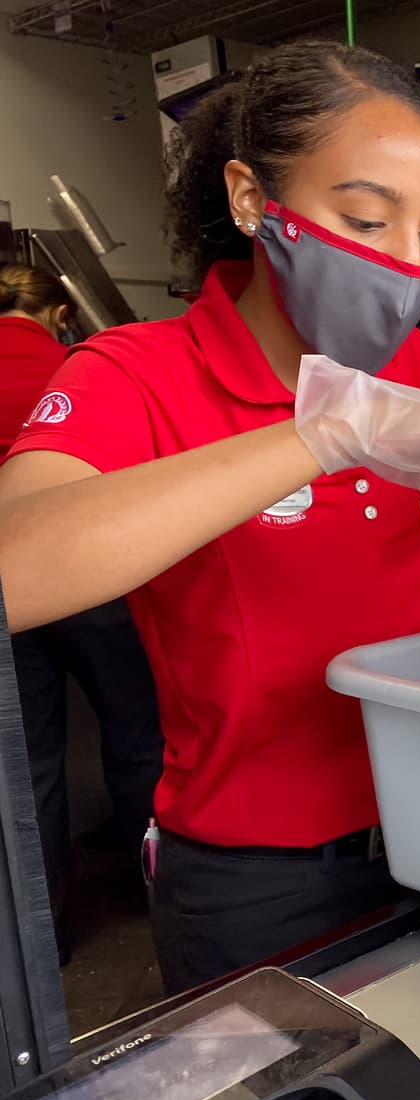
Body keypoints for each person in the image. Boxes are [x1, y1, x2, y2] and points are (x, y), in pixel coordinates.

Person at [0, 41, 420, 994]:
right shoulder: (139, 373)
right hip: (262, 883)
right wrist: (323, 434)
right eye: (368, 219)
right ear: (255, 200)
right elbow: (19, 569)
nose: (407, 264)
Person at [0, 265, 164, 965]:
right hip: (88, 582)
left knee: (28, 762)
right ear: (60, 313)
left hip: (9, 592)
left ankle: (48, 934)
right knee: (137, 733)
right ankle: (153, 892)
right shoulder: (82, 369)